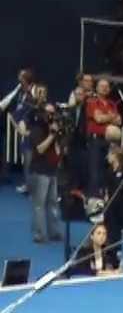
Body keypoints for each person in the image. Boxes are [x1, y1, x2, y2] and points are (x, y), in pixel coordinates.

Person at [28, 99, 62, 243]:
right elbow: (40, 149)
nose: (51, 116)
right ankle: (39, 234)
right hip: (40, 170)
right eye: (48, 113)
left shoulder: (53, 128)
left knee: (53, 202)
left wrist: (58, 136)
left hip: (52, 170)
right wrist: (52, 136)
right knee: (39, 204)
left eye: (53, 113)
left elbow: (58, 149)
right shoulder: (37, 129)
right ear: (43, 114)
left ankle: (54, 232)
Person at [86, 79, 122, 199]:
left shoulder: (112, 104)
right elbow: (98, 119)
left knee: (108, 172)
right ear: (96, 88)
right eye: (102, 86)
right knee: (95, 173)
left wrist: (106, 117)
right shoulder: (92, 102)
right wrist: (111, 117)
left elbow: (119, 120)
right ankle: (94, 202)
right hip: (96, 141)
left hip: (110, 142)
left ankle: (107, 200)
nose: (105, 88)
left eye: (107, 86)